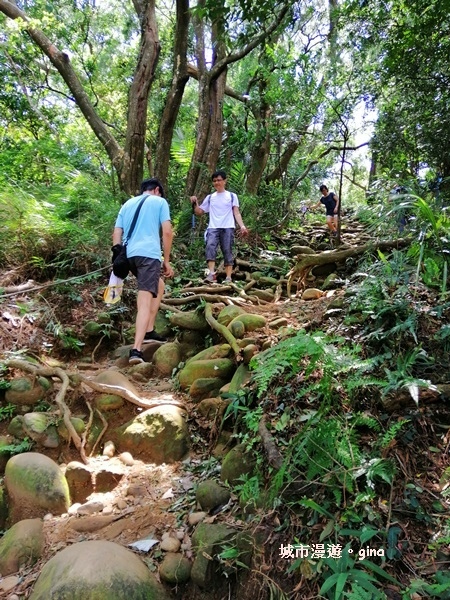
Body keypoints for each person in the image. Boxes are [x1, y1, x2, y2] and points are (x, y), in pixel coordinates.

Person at [112, 178, 174, 365]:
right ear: (156, 190)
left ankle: (149, 330)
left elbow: (116, 232)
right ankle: (136, 350)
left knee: (159, 285)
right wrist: (167, 261)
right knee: (145, 301)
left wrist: (117, 256)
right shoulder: (160, 202)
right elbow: (167, 232)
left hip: (129, 255)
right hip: (148, 256)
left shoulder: (127, 204)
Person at [190, 170, 248, 283]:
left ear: (225, 181)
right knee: (210, 247)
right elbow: (199, 212)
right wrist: (194, 203)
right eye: (214, 181)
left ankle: (228, 277)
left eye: (219, 180)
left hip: (228, 226)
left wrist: (242, 226)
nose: (217, 183)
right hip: (213, 227)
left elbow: (236, 212)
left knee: (227, 250)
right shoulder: (210, 197)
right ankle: (211, 275)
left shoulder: (231, 196)